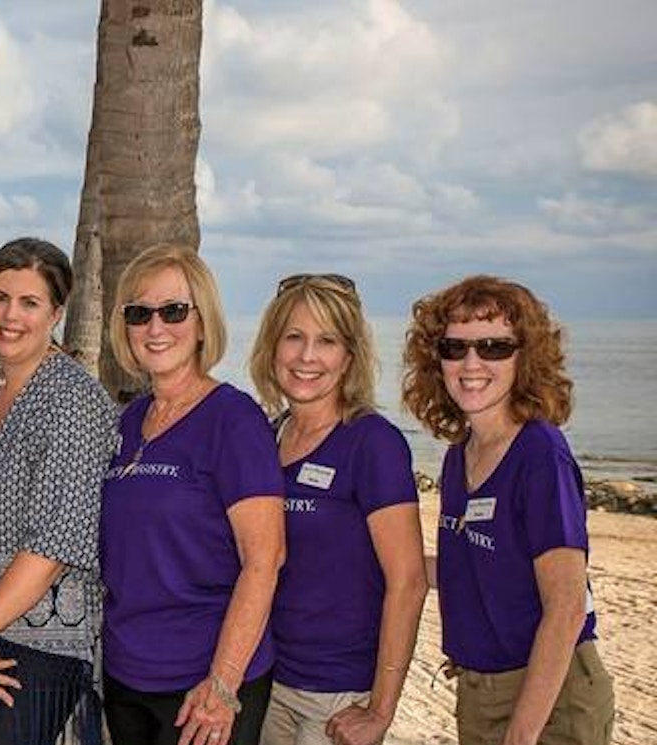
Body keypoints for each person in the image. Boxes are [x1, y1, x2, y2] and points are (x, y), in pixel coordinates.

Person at [401, 276, 614, 745]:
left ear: (525, 357)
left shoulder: (540, 454)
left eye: (495, 347)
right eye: (454, 348)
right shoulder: (460, 456)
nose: (472, 364)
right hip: (478, 692)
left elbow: (567, 605)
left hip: (549, 696)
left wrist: (522, 733)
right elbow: (467, 567)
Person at [100, 244, 285, 745]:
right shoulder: (130, 420)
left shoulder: (234, 420)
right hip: (126, 675)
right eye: (139, 314)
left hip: (202, 684)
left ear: (203, 323)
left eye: (174, 311)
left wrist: (223, 685)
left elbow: (264, 561)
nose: (155, 328)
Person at [0, 238, 118, 745]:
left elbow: (59, 539)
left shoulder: (71, 397)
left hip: (34, 644)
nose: (10, 315)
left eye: (30, 302)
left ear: (57, 313)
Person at [248, 274, 426, 745]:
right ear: (272, 347)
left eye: (327, 340)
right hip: (265, 682)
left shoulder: (372, 443)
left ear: (350, 355)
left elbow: (408, 581)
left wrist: (381, 710)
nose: (307, 357)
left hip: (338, 696)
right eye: (294, 337)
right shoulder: (266, 438)